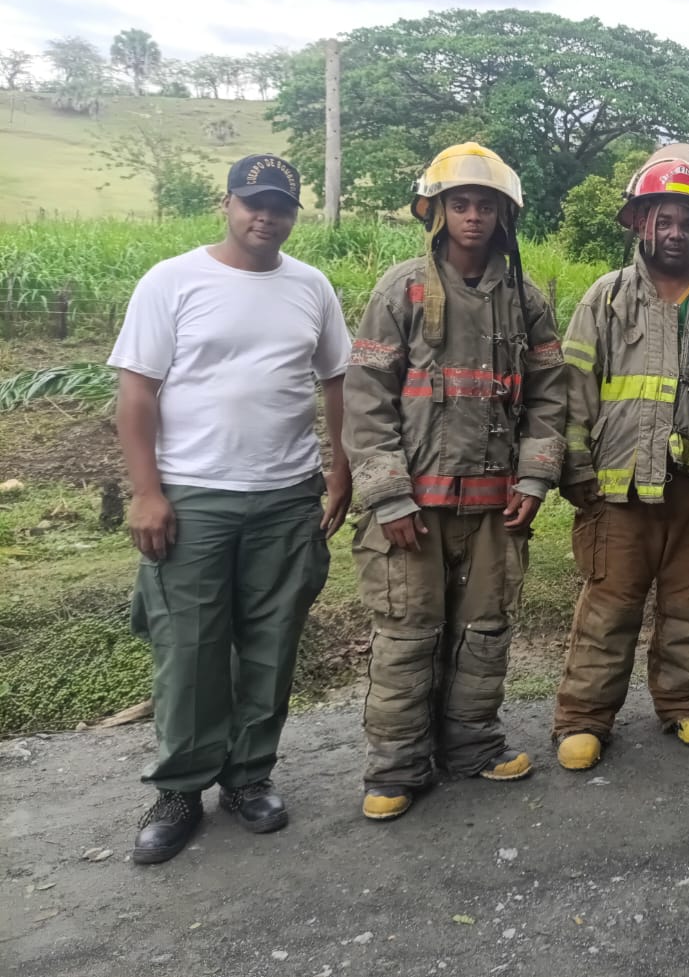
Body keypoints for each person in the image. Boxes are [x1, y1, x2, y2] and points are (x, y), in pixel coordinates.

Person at [110, 153, 351, 865]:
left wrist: (341, 472)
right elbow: (136, 394)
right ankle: (180, 788)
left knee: (272, 643)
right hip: (194, 496)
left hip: (285, 495)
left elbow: (338, 383)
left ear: (293, 213)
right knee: (189, 647)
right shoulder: (174, 281)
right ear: (228, 202)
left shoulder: (311, 287)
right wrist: (148, 491)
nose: (264, 216)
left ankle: (249, 777)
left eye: (279, 205)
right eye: (253, 202)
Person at [344, 143, 566, 821]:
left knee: (486, 630)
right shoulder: (401, 290)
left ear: (505, 216)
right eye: (460, 204)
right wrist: (388, 494)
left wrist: (534, 479)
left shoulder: (525, 299)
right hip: (414, 508)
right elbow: (365, 397)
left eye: (485, 205)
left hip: (496, 504)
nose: (473, 216)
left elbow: (550, 396)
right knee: (409, 633)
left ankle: (471, 745)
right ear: (436, 212)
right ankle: (396, 766)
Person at [552, 144, 689, 770]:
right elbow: (572, 388)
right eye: (664, 219)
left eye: (688, 221)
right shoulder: (606, 297)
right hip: (619, 483)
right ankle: (584, 718)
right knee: (608, 605)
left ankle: (684, 705)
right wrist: (574, 467)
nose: (676, 232)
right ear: (639, 223)